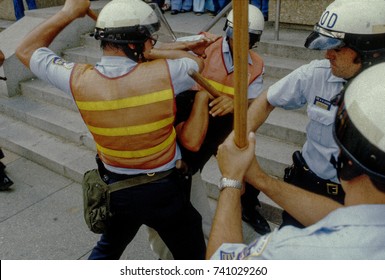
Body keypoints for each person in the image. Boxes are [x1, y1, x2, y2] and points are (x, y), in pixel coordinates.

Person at [16, 0, 210, 260]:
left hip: (117, 191)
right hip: (164, 190)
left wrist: (67, 13)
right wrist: (153, 53)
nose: (154, 43)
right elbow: (196, 62)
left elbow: (26, 50)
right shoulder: (169, 73)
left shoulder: (76, 78)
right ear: (133, 44)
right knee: (193, 256)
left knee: (106, 252)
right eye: (150, 39)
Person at [207, 62, 385, 259]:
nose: (329, 54)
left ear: (347, 163)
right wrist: (260, 179)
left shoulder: (291, 250)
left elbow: (220, 266)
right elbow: (342, 217)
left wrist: (231, 181)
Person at [247, 0, 385, 229]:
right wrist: (241, 140)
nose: (327, 55)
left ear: (370, 51)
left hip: (363, 205)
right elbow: (267, 99)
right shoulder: (316, 74)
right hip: (308, 186)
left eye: (337, 48)